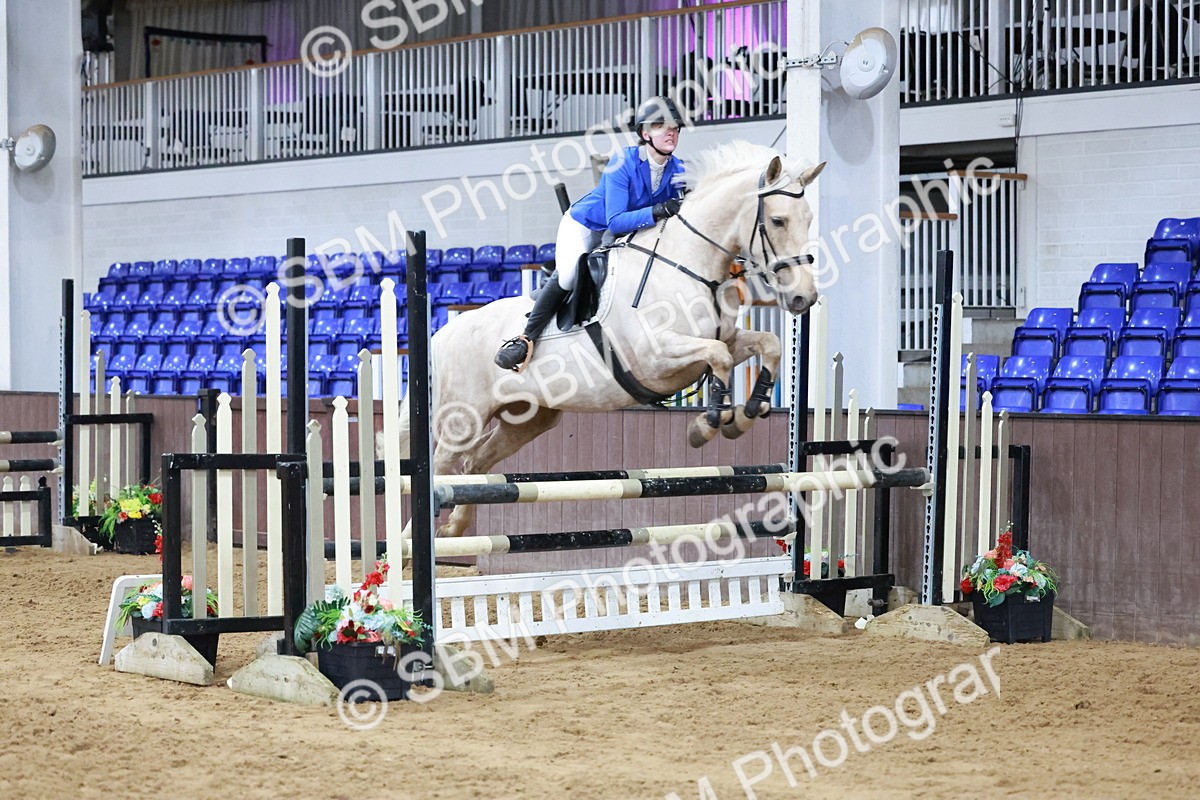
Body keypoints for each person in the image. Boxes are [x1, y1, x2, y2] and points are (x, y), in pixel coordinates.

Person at [493, 96, 688, 372]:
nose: (671, 132)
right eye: (661, 126)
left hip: (627, 235)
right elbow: (616, 220)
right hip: (587, 226)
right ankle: (526, 338)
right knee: (571, 274)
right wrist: (657, 210)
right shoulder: (623, 162)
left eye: (675, 127)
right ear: (645, 134)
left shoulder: (678, 168)